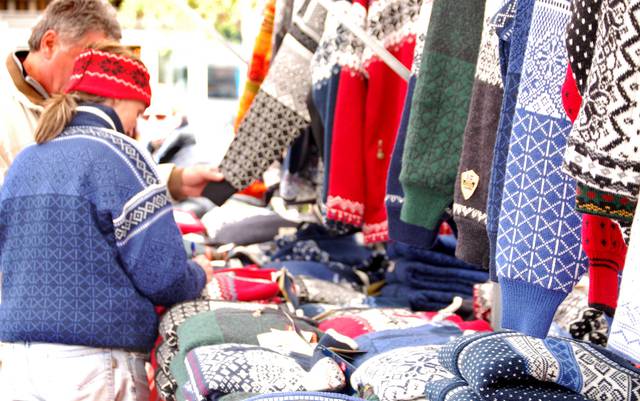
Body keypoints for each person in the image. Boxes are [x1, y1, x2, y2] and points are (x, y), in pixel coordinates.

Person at [0, 42, 212, 401]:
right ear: (117, 99)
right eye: (140, 111)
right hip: (93, 366)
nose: (136, 125)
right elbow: (164, 276)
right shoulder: (122, 154)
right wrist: (201, 272)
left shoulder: (27, 160)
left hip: (18, 364)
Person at [0, 0, 224, 199]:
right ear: (49, 43)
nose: (97, 71)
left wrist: (177, 181)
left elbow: (110, 175)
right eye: (89, 56)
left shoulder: (86, 106)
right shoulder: (5, 106)